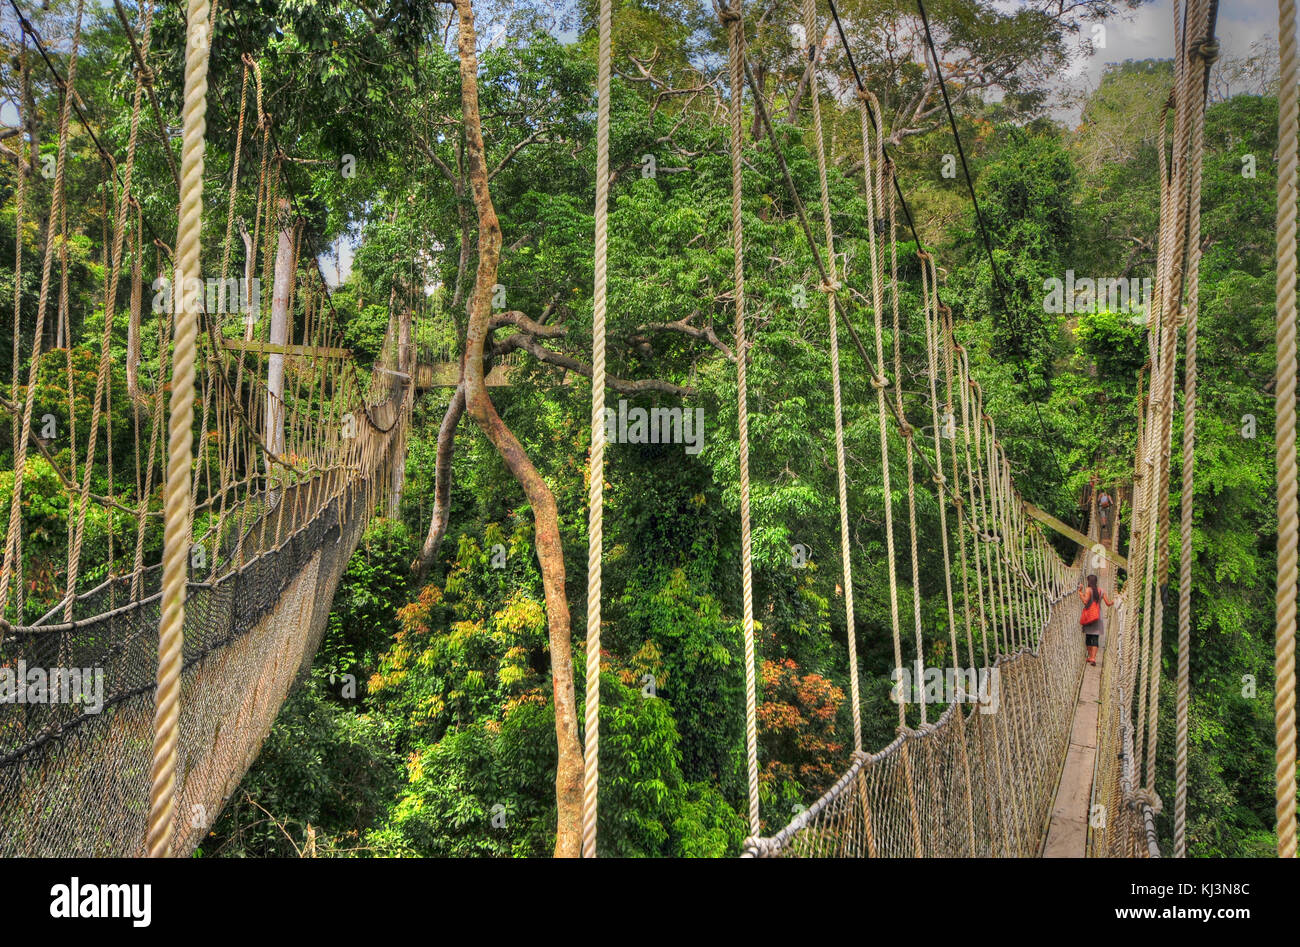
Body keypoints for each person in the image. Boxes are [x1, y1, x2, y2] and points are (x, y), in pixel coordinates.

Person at [1077, 574, 1112, 666]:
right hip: (1098, 616)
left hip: (1089, 616)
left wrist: (1080, 592)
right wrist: (1115, 601)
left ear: (1089, 581)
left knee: (1088, 637)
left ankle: (1090, 656)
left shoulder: (1088, 590)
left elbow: (1085, 601)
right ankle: (1093, 657)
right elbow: (1108, 603)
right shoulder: (1101, 591)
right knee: (1095, 637)